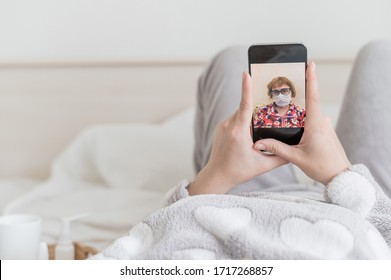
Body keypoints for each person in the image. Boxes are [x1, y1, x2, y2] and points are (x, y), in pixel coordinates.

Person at [94, 40, 391, 259]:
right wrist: (343, 176)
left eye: (285, 92)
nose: (281, 96)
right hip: (362, 211)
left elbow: (145, 244)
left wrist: (213, 178)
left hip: (229, 198)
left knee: (231, 59)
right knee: (381, 56)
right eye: (278, 92)